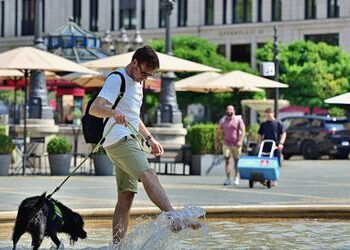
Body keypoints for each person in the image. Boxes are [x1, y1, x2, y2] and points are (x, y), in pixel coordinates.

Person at [89, 46, 200, 244]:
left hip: (129, 138)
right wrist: (113, 113)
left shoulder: (138, 83)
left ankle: (117, 247)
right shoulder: (117, 78)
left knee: (126, 196)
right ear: (134, 62)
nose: (144, 78)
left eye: (149, 75)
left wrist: (150, 138)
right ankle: (173, 216)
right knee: (148, 173)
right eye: (143, 72)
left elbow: (134, 116)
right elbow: (95, 108)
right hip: (117, 138)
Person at [216, 105, 246, 186]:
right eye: (228, 109)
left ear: (234, 111)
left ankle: (236, 177)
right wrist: (217, 142)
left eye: (231, 109)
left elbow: (243, 130)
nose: (229, 111)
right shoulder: (223, 120)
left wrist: (240, 141)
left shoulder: (238, 119)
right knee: (227, 160)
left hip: (236, 143)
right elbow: (218, 131)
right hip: (226, 143)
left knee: (236, 161)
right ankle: (228, 178)